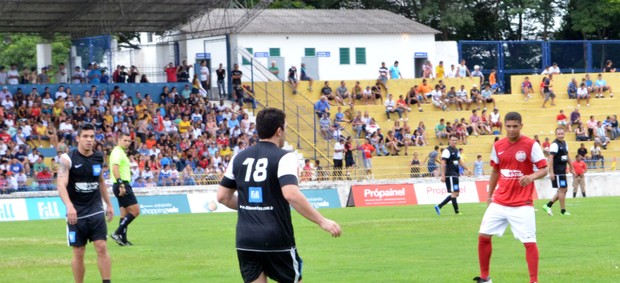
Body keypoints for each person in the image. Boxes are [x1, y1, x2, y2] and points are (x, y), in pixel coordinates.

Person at [216, 108, 342, 283]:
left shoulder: (238, 157)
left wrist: (251, 207)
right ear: (279, 130)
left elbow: (222, 196)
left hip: (246, 239)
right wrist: (323, 221)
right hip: (275, 237)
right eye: (286, 128)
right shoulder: (285, 157)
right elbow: (291, 194)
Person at [474, 112, 547, 283]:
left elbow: (544, 169)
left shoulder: (531, 145)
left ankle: (534, 281)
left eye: (515, 126)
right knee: (483, 236)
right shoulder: (498, 145)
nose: (512, 129)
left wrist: (531, 177)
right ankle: (485, 278)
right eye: (508, 126)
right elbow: (494, 171)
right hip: (499, 201)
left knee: (529, 242)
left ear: (521, 125)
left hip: (522, 204)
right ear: (504, 126)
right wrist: (489, 196)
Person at [56, 123, 114, 283]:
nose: (89, 140)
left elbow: (101, 181)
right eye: (85, 136)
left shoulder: (98, 157)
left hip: (95, 210)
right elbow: (61, 184)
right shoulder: (67, 159)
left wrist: (109, 204)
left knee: (102, 247)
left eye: (92, 137)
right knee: (79, 252)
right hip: (77, 213)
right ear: (78, 138)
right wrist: (69, 206)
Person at [110, 133, 140, 246]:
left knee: (124, 213)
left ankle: (123, 239)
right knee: (136, 211)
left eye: (129, 141)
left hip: (119, 184)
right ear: (119, 140)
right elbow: (115, 168)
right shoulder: (117, 152)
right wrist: (121, 184)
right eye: (125, 140)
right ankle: (117, 233)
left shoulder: (120, 152)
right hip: (122, 184)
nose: (127, 143)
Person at [542, 128, 575, 216]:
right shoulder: (554, 144)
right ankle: (562, 211)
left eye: (562, 133)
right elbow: (551, 158)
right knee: (562, 189)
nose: (560, 135)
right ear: (556, 135)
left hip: (562, 170)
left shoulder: (564, 143)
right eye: (558, 134)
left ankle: (548, 205)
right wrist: (551, 172)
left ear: (564, 134)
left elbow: (567, 156)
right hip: (557, 171)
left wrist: (571, 167)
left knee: (564, 189)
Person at [434, 135, 469, 215]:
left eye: (455, 140)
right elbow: (443, 163)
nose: (454, 142)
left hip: (455, 174)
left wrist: (467, 169)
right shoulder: (447, 151)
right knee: (454, 193)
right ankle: (457, 212)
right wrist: (443, 175)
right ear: (449, 141)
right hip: (450, 174)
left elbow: (460, 161)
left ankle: (439, 206)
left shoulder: (456, 150)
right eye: (453, 140)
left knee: (456, 193)